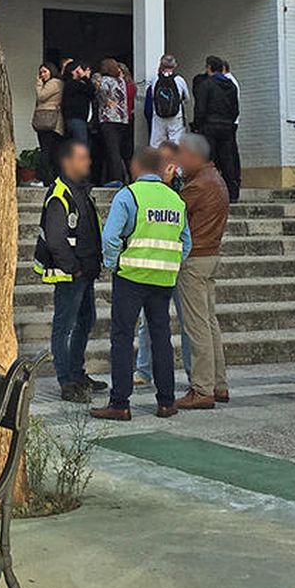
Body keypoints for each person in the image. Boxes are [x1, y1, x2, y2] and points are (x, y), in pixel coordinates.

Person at [92, 146, 190, 421]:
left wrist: (113, 263)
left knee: (122, 337)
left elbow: (110, 237)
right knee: (161, 338)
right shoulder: (175, 200)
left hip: (131, 277)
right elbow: (186, 243)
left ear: (136, 168)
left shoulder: (129, 195)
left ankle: (120, 403)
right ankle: (166, 402)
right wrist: (170, 262)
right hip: (163, 279)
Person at [31, 138, 103, 403]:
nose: (88, 162)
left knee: (86, 321)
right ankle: (67, 381)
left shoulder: (81, 191)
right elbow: (56, 238)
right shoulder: (60, 194)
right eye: (83, 158)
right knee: (65, 326)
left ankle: (77, 371)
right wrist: (74, 268)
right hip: (71, 273)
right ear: (68, 162)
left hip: (85, 271)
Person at [172, 134, 230, 410]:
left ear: (195, 156)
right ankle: (219, 383)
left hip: (194, 259)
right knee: (209, 322)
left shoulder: (198, 186)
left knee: (196, 326)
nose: (178, 160)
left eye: (181, 154)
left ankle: (202, 388)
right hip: (212, 255)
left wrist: (166, 185)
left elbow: (175, 212)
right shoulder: (217, 180)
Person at [136, 141, 191, 387]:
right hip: (154, 266)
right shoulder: (151, 188)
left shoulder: (185, 184)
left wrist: (179, 258)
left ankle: (193, 373)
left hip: (178, 264)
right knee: (147, 323)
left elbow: (181, 220)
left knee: (186, 320)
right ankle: (143, 370)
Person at [193, 55, 241, 202]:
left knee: (208, 160)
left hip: (209, 126)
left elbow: (200, 108)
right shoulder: (231, 86)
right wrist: (229, 122)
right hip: (227, 126)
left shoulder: (206, 85)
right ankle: (232, 193)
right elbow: (235, 109)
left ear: (209, 68)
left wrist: (198, 125)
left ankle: (208, 191)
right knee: (228, 159)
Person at [94, 59, 130, 186]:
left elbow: (101, 95)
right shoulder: (121, 81)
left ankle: (116, 179)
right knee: (118, 150)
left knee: (112, 150)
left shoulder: (105, 81)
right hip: (122, 119)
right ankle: (119, 177)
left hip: (108, 119)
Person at [145, 55, 189, 149]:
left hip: (158, 116)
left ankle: (156, 163)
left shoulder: (155, 79)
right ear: (174, 66)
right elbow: (186, 98)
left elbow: (153, 96)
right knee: (176, 143)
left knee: (156, 143)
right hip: (176, 116)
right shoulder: (179, 80)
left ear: (161, 65)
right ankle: (175, 163)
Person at [31, 62, 64, 188]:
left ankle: (42, 178)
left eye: (45, 72)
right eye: (40, 73)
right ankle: (53, 179)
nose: (42, 75)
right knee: (51, 151)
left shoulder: (54, 83)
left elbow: (41, 96)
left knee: (46, 150)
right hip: (49, 121)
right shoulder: (53, 83)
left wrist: (38, 84)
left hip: (50, 121)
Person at [59, 60, 94, 147]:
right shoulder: (74, 84)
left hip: (71, 119)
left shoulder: (67, 84)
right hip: (77, 119)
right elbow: (91, 90)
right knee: (81, 147)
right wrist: (85, 77)